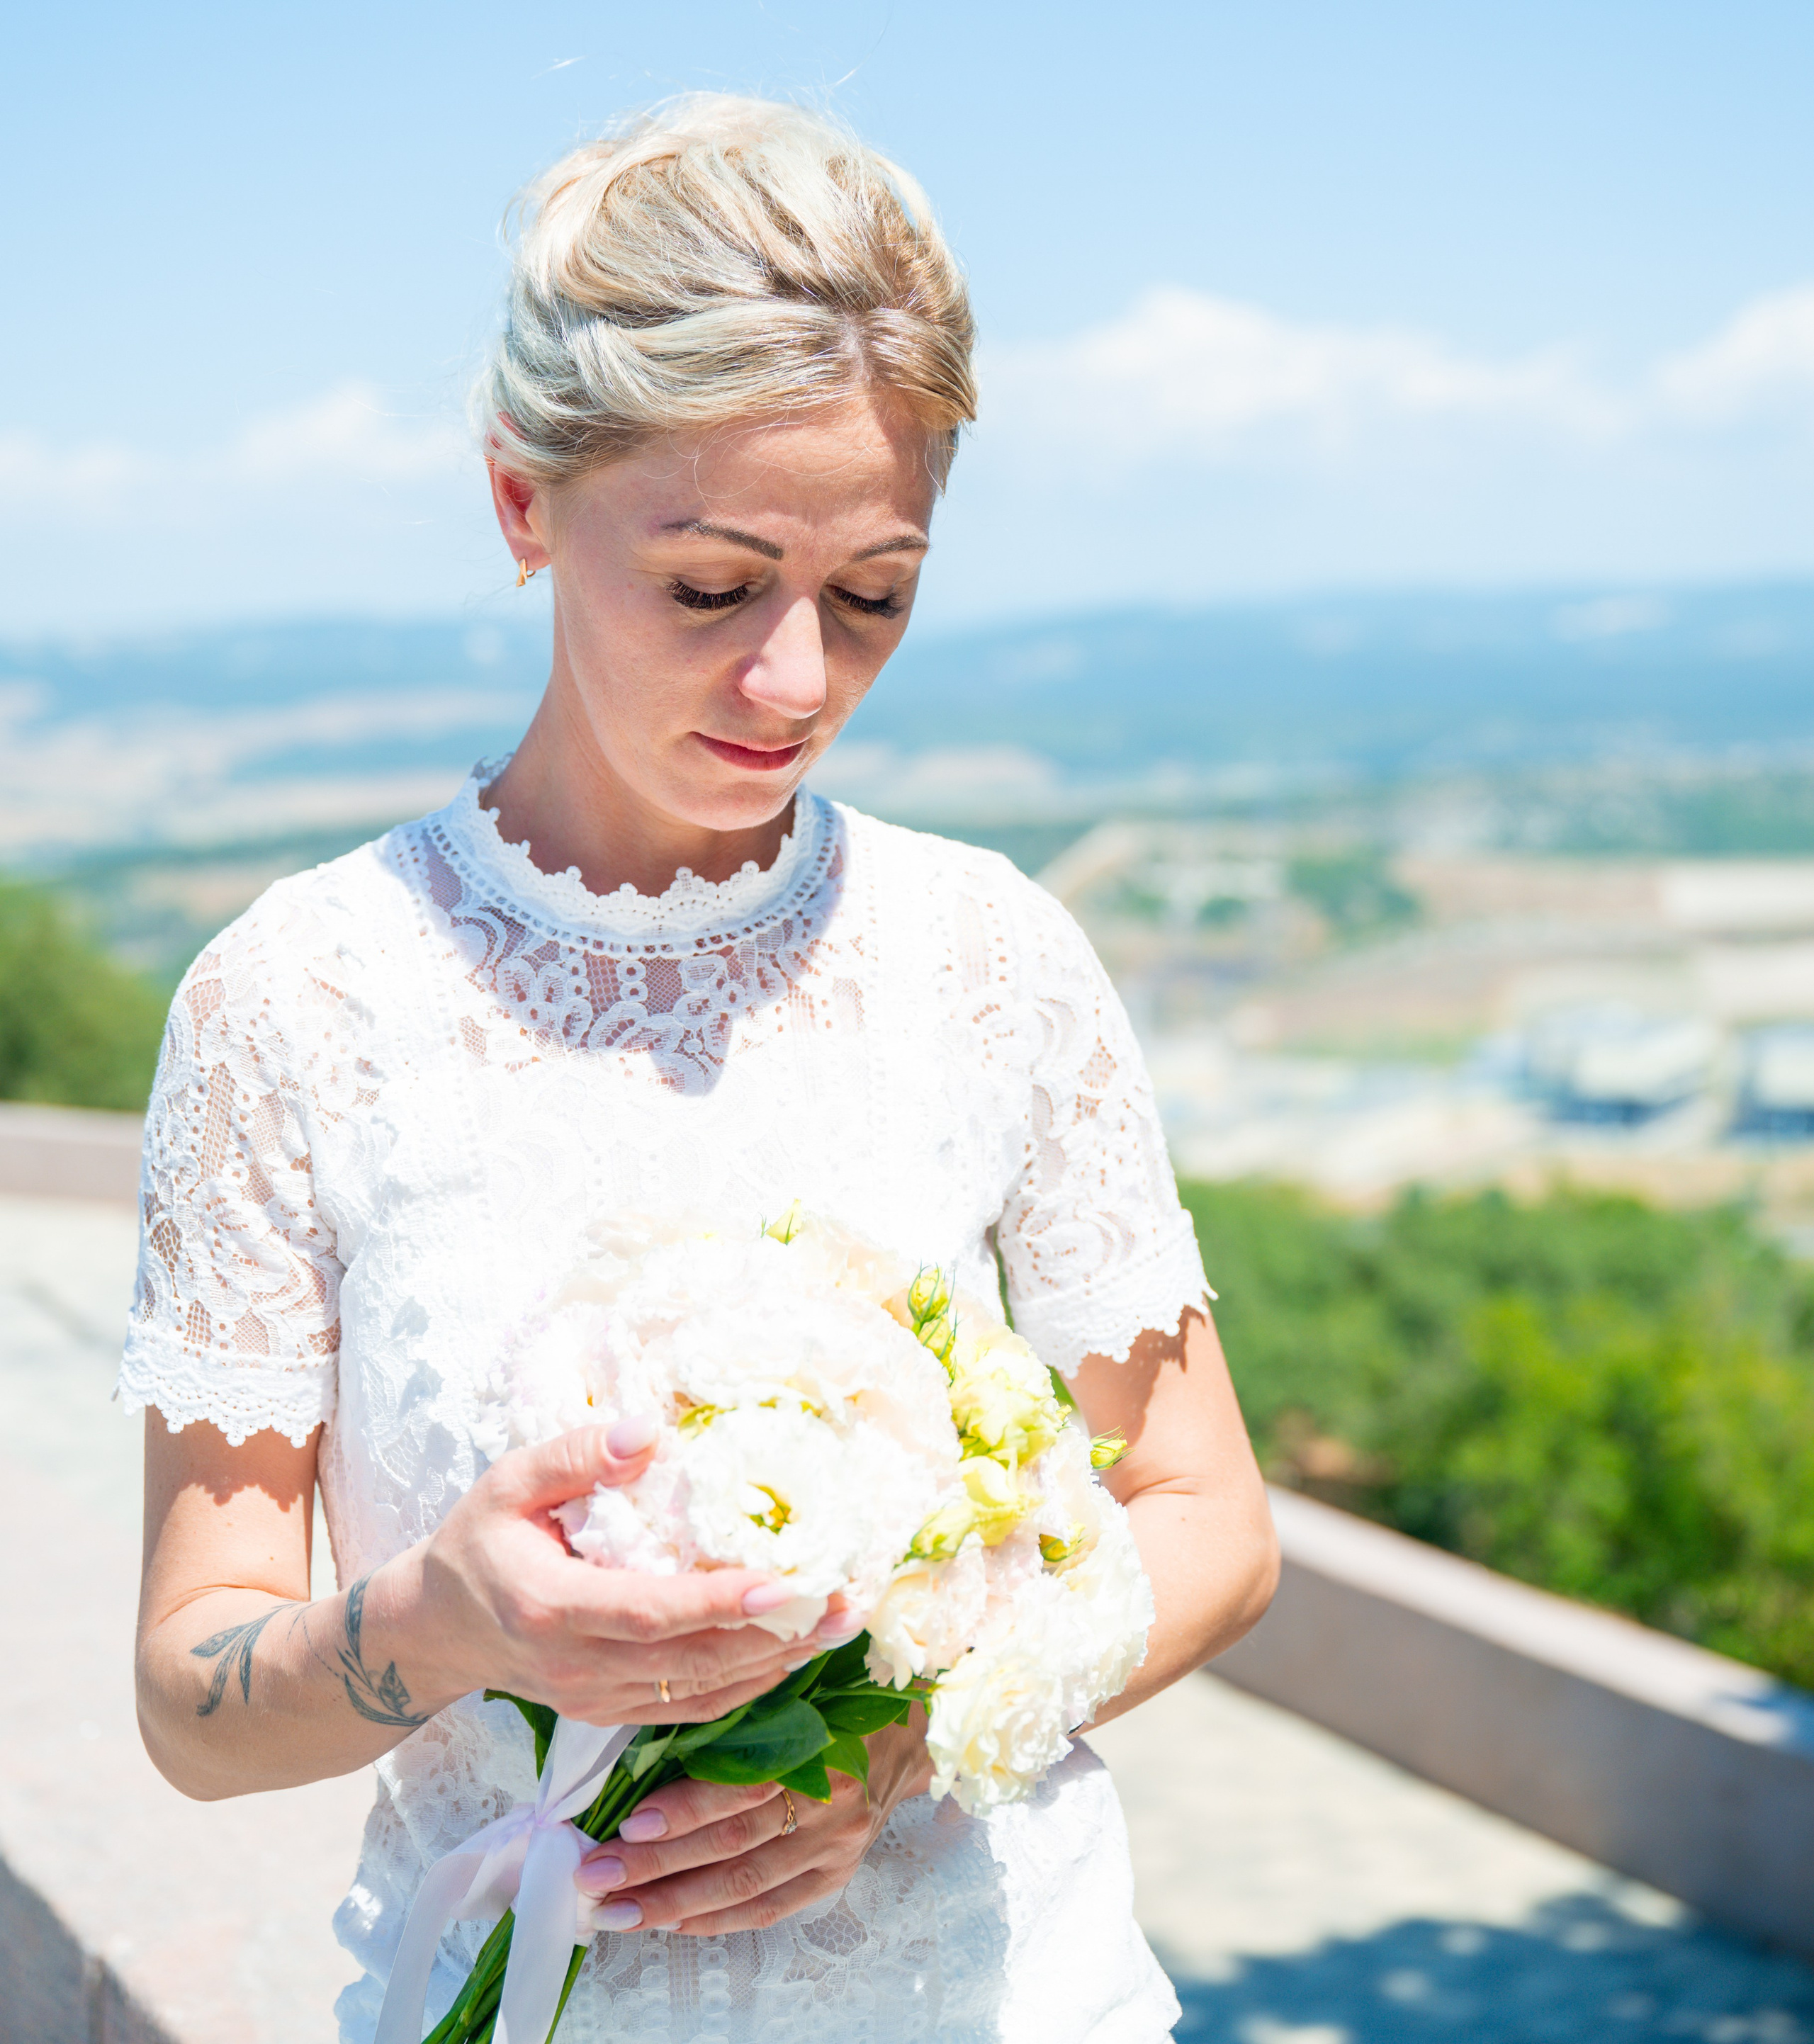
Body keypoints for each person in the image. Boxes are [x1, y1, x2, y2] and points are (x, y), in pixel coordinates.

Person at [124, 96, 1279, 2043]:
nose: (797, 682)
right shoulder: (296, 1005)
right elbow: (192, 1701)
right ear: (521, 505)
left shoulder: (993, 958)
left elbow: (1207, 1521)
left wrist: (903, 1735)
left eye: (877, 592)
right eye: (711, 583)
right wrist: (442, 1625)